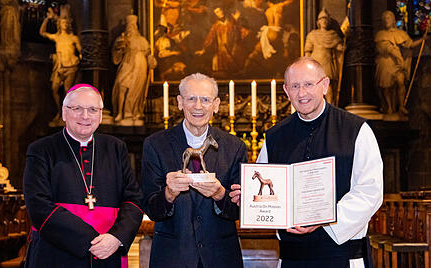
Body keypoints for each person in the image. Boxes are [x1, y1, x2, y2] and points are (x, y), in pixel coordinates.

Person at [230, 57, 383, 267]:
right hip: (292, 258)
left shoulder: (356, 130)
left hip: (342, 256)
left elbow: (369, 192)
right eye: (295, 86)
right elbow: (265, 190)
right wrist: (247, 198)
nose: (302, 93)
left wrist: (324, 219)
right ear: (286, 91)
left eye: (308, 84)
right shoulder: (275, 137)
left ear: (325, 85)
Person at [23, 84, 143, 267]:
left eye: (93, 110)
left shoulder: (115, 148)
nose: (85, 116)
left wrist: (116, 237)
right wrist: (92, 240)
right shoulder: (41, 150)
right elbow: (38, 205)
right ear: (64, 112)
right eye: (77, 108)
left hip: (108, 253)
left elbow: (133, 200)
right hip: (55, 254)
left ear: (101, 115)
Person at [141, 73, 247, 267]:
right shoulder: (156, 145)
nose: (198, 106)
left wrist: (220, 194)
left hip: (220, 258)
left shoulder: (235, 147)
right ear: (180, 102)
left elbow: (241, 210)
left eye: (205, 99)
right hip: (173, 257)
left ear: (216, 105)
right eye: (191, 98)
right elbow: (150, 208)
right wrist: (169, 194)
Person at [375, 10, 427, 116]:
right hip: (385, 62)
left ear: (393, 20)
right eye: (384, 18)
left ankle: (401, 106)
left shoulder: (400, 34)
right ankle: (389, 107)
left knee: (400, 82)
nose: (386, 20)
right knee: (386, 86)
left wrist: (422, 40)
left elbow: (410, 44)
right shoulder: (380, 35)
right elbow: (384, 48)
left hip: (397, 64)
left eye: (388, 17)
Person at [112, 14, 157, 126]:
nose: (131, 27)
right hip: (127, 64)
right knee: (121, 85)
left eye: (133, 25)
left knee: (136, 90)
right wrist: (119, 48)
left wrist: (151, 60)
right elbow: (116, 57)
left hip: (140, 67)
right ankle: (120, 112)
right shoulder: (122, 38)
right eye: (129, 25)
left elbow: (148, 55)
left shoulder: (142, 40)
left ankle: (132, 113)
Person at [39, 8, 82, 124]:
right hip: (59, 67)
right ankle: (59, 111)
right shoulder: (57, 37)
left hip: (71, 66)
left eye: (65, 23)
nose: (64, 25)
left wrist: (81, 55)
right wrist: (47, 19)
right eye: (62, 23)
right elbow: (42, 33)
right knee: (54, 89)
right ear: (59, 24)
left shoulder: (73, 38)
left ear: (68, 24)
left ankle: (67, 115)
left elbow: (80, 50)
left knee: (68, 91)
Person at [304, 8, 344, 106]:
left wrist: (343, 45)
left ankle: (330, 107)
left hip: (327, 63)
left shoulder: (333, 35)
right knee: (316, 87)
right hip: (316, 62)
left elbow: (339, 48)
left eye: (326, 19)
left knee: (328, 86)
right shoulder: (312, 35)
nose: (324, 21)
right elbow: (308, 52)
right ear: (318, 22)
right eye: (322, 19)